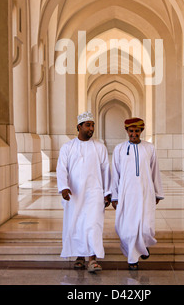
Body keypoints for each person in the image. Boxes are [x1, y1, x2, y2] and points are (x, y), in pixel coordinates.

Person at [56, 112, 111, 273]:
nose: (91, 128)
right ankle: (79, 257)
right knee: (76, 224)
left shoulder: (99, 147)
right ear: (79, 127)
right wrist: (64, 187)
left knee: (93, 225)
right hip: (74, 194)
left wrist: (107, 192)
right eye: (88, 125)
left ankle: (92, 259)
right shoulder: (68, 147)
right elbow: (61, 169)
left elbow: (106, 170)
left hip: (94, 193)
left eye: (92, 125)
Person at [111, 117, 164, 270]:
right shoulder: (119, 149)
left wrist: (157, 193)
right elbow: (115, 174)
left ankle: (143, 245)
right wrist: (115, 195)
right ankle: (132, 259)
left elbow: (155, 171)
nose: (134, 134)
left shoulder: (149, 148)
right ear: (126, 131)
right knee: (128, 229)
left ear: (141, 131)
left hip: (146, 192)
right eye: (131, 131)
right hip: (126, 194)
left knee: (147, 227)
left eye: (137, 131)